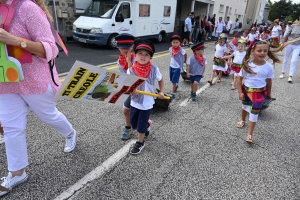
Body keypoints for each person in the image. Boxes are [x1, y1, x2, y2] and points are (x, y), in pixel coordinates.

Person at [0, 0, 77, 196]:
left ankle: (70, 133)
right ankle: (17, 173)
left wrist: (16, 40)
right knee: (11, 127)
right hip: (6, 82)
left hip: (35, 80)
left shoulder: (27, 8)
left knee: (48, 116)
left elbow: (51, 49)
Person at [237, 40, 281, 143]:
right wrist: (240, 92)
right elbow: (239, 78)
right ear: (252, 51)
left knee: (254, 113)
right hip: (246, 90)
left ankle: (249, 134)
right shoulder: (247, 65)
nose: (262, 53)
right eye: (259, 50)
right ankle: (243, 120)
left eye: (265, 51)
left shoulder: (269, 67)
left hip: (259, 94)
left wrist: (269, 93)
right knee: (244, 107)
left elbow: (269, 81)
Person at [128, 40, 165, 155]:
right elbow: (128, 84)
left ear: (150, 57)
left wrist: (162, 91)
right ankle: (147, 124)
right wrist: (131, 90)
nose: (143, 56)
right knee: (133, 122)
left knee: (140, 125)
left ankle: (140, 142)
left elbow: (161, 79)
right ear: (135, 54)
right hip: (135, 101)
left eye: (146, 54)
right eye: (140, 53)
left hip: (147, 102)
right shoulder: (131, 70)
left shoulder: (154, 69)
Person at [115, 34, 152, 140]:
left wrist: (129, 63)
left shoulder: (138, 59)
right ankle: (128, 128)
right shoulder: (120, 60)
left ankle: (146, 124)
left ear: (132, 47)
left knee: (139, 113)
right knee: (126, 110)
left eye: (128, 47)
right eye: (123, 48)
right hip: (128, 88)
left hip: (138, 89)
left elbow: (135, 75)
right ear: (118, 48)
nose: (125, 50)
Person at [169, 33, 187, 98]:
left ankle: (172, 93)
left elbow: (185, 54)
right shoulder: (171, 49)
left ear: (180, 43)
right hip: (171, 66)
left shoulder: (181, 50)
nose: (175, 44)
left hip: (177, 67)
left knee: (174, 80)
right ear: (171, 43)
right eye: (174, 42)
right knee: (171, 79)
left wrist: (184, 61)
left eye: (177, 42)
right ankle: (175, 86)